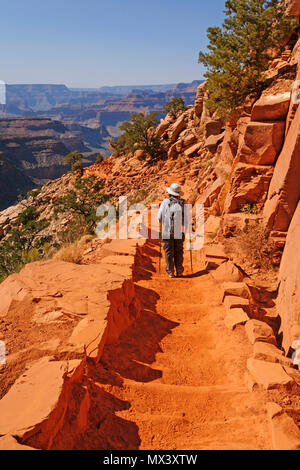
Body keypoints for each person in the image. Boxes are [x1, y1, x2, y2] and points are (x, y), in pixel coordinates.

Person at [157, 183, 187, 278]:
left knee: (169, 251)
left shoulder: (166, 202)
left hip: (167, 231)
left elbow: (159, 217)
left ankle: (170, 272)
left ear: (170, 192)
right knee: (179, 251)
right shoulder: (183, 203)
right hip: (180, 231)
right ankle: (179, 270)